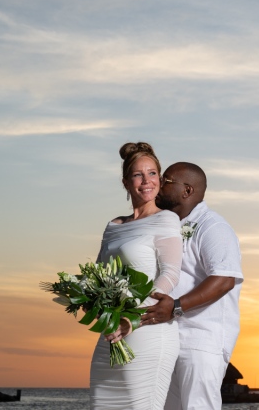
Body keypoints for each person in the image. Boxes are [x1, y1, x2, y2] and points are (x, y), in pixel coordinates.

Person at [140, 162, 243, 410]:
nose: (158, 184)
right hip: (169, 338)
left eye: (166, 180)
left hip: (202, 340)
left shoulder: (213, 227)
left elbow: (224, 279)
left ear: (187, 191)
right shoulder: (167, 225)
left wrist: (175, 307)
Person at [90, 142, 182, 410]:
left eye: (152, 173)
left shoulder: (166, 219)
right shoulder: (113, 225)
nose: (146, 181)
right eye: (138, 175)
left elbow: (170, 273)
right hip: (111, 333)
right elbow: (98, 276)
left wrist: (133, 317)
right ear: (125, 182)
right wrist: (101, 312)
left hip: (147, 331)